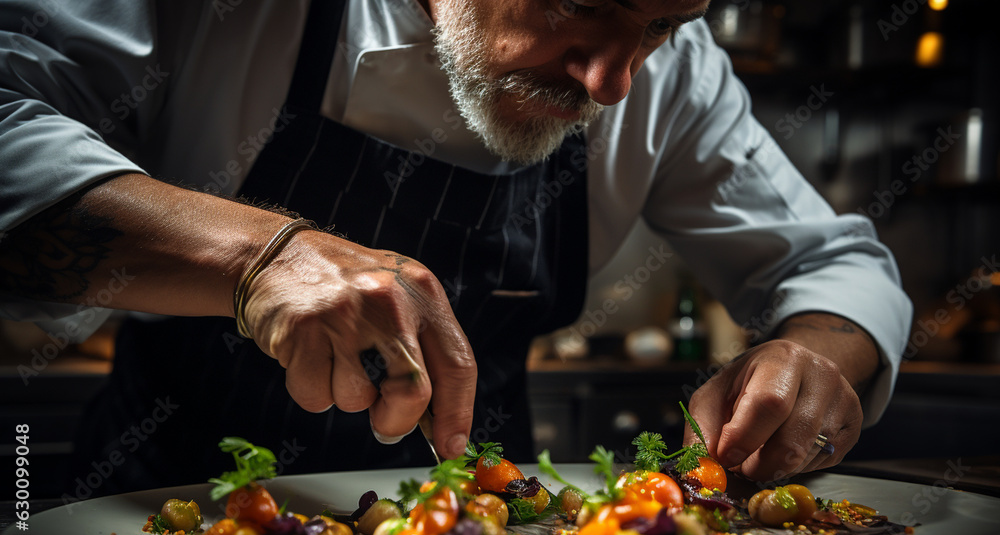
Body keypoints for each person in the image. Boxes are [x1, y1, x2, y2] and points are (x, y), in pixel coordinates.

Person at [0, 0, 912, 493]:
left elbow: (835, 265)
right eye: (578, 5)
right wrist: (258, 257)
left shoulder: (669, 75)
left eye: (659, 28)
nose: (611, 81)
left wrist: (816, 353)